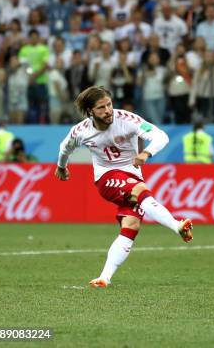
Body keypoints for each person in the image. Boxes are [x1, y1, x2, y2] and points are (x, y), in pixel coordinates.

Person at [55, 86, 193, 288]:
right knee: (139, 190)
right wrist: (61, 166)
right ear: (90, 111)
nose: (108, 110)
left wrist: (146, 153)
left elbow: (161, 136)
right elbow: (64, 147)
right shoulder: (81, 131)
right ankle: (177, 226)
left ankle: (104, 278)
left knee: (131, 226)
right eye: (101, 108)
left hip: (132, 175)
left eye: (109, 104)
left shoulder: (127, 120)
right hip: (106, 178)